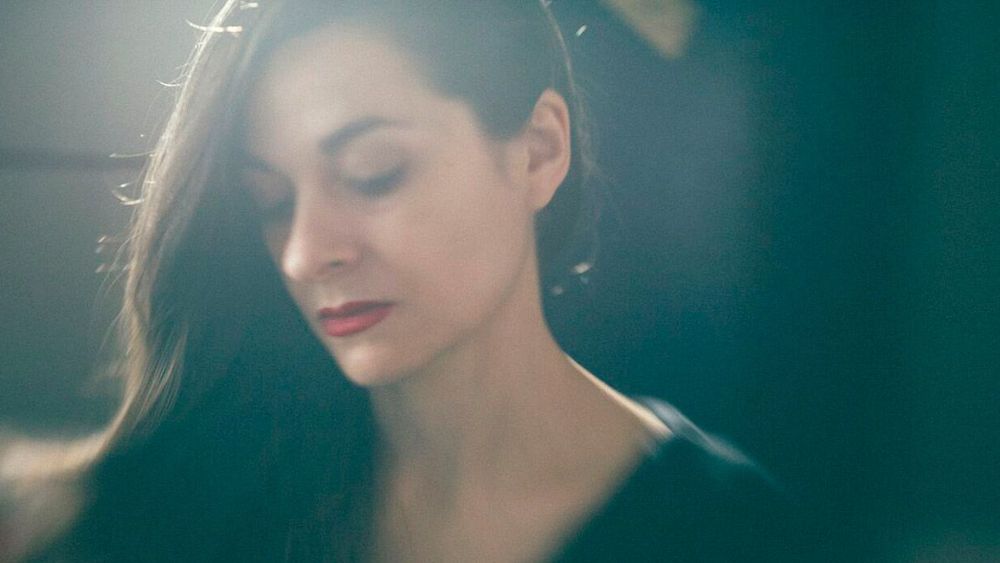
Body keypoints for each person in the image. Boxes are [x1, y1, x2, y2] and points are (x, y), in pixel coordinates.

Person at [4, 1, 805, 561]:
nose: (305, 252)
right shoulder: (229, 479)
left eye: (374, 172)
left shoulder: (729, 532)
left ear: (538, 150)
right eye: (271, 203)